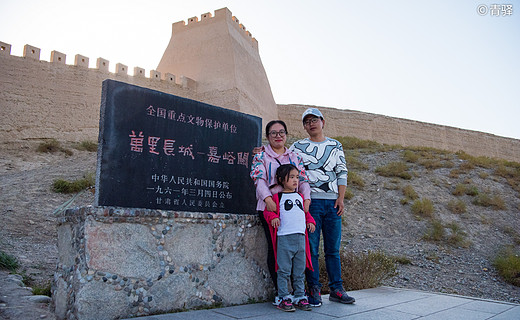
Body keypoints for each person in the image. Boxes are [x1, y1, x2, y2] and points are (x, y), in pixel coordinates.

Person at [289, 107, 356, 306]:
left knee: (333, 249)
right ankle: (314, 289)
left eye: (314, 120)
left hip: (333, 202)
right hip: (311, 203)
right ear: (304, 126)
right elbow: (283, 159)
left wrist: (341, 198)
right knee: (311, 248)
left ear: (322, 122)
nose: (311, 124)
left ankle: (337, 289)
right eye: (307, 121)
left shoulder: (335, 145)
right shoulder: (298, 146)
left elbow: (342, 171)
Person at [250, 120, 311, 305]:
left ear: (286, 135)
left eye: (282, 132)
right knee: (277, 250)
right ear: (268, 136)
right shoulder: (261, 155)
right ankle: (283, 293)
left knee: (299, 250)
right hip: (271, 207)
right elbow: (258, 178)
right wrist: (268, 199)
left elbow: (304, 179)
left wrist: (306, 200)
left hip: (294, 208)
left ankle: (300, 292)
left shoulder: (295, 156)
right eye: (274, 133)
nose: (278, 136)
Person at [263, 164, 316, 312]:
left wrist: (310, 221)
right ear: (281, 180)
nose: (295, 180)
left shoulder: (300, 196)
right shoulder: (277, 197)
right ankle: (284, 296)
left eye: (297, 177)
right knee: (284, 270)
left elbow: (305, 213)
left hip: (300, 239)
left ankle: (299, 295)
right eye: (291, 177)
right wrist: (273, 217)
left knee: (299, 270)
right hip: (284, 239)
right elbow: (268, 212)